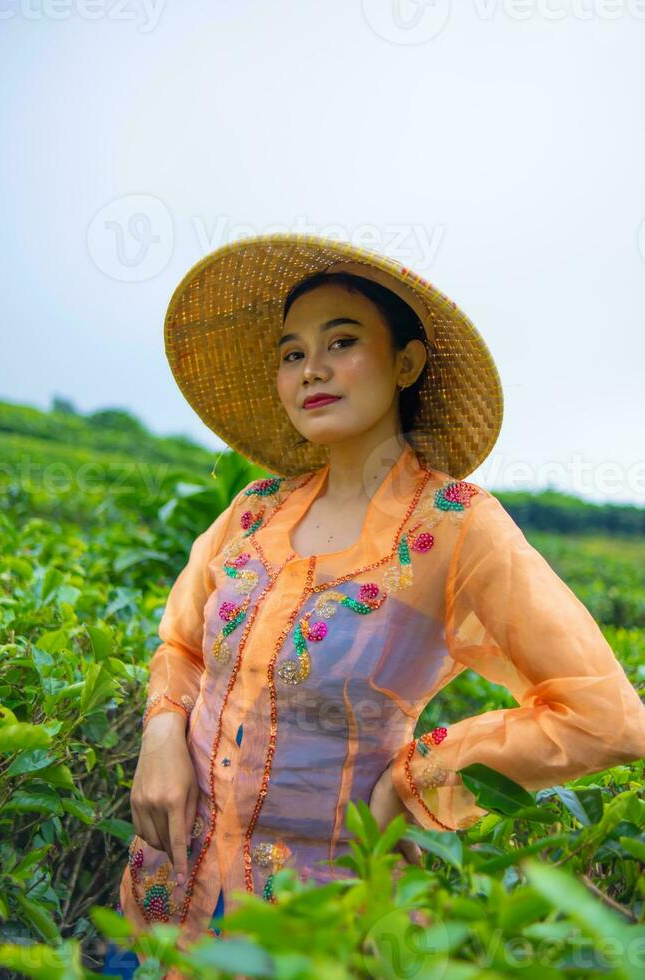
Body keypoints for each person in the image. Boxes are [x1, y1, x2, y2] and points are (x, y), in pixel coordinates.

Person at [108, 234, 645, 978]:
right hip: (166, 891)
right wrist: (161, 736)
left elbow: (604, 716)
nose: (312, 369)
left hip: (320, 922)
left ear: (406, 364)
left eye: (342, 341)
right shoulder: (254, 511)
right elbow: (183, 645)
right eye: (292, 353)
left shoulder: (456, 526)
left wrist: (420, 776)